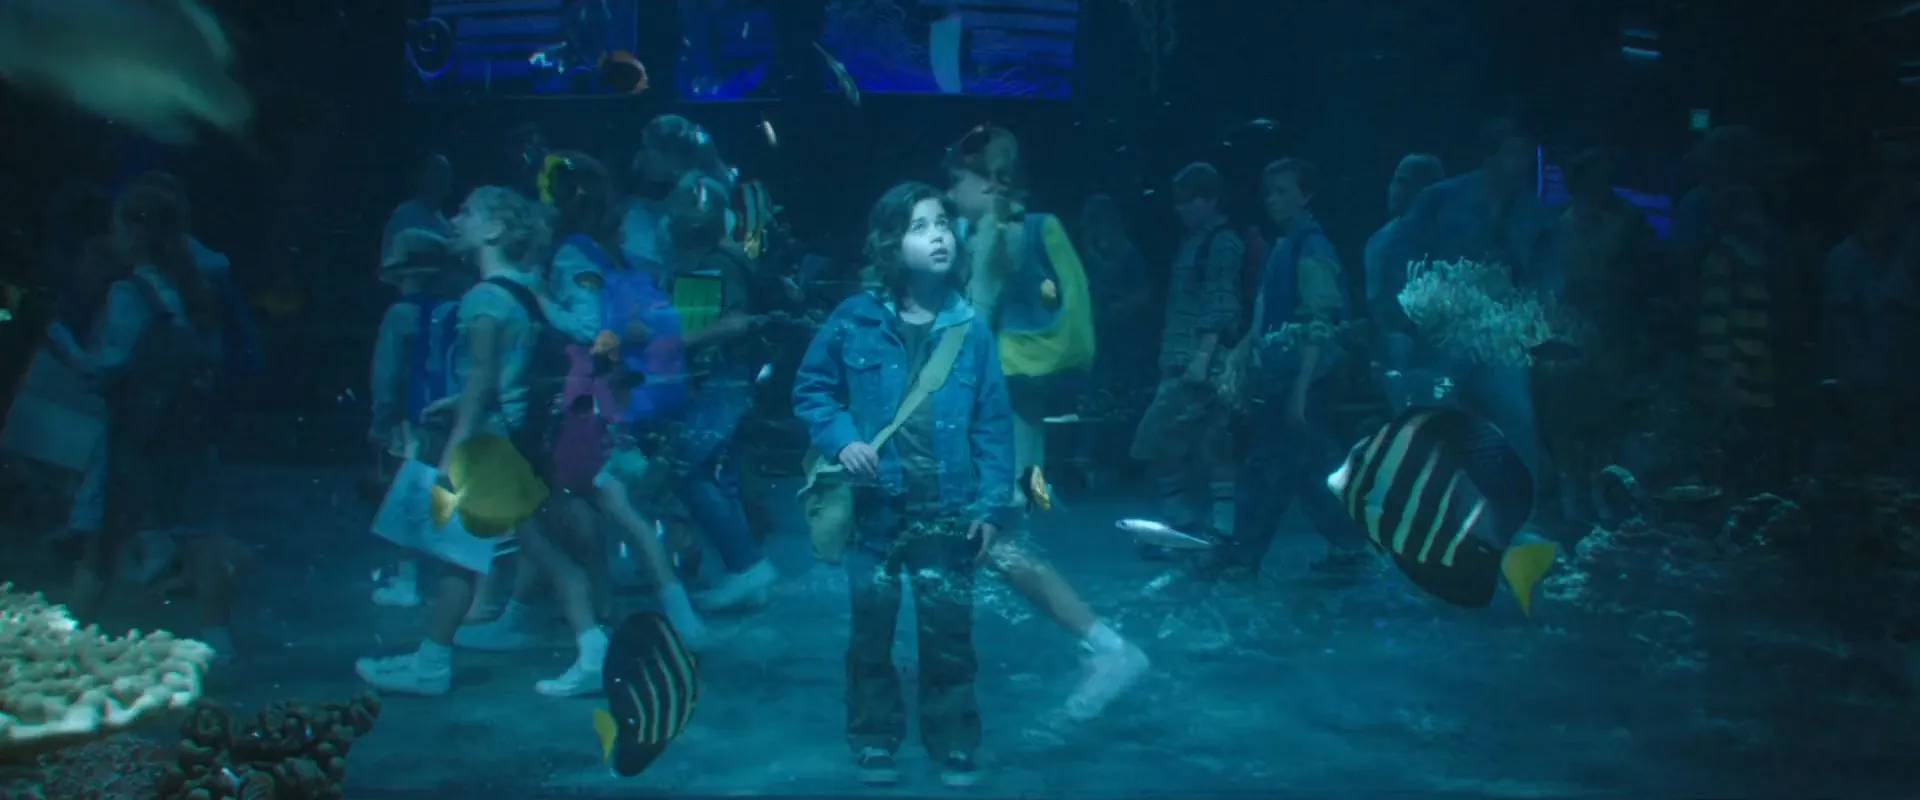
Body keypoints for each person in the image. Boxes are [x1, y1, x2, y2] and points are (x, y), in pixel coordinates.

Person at [791, 181, 1010, 788]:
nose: (938, 236)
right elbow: (812, 389)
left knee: (949, 634)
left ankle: (954, 741)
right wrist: (843, 440)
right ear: (889, 243)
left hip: (949, 508)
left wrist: (993, 506)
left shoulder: (971, 330)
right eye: (919, 227)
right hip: (875, 510)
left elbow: (992, 423)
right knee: (871, 631)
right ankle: (873, 736)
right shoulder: (854, 319)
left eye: (942, 223)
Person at [354, 186, 557, 696]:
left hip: (485, 443)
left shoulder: (483, 298)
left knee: (464, 552)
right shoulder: (524, 291)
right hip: (508, 436)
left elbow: (482, 380)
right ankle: (588, 637)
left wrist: (452, 452)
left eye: (467, 212)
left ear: (493, 231)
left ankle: (432, 664)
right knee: (514, 549)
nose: (456, 219)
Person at [46, 182, 234, 660]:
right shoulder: (196, 288)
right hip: (188, 433)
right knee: (200, 534)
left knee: (103, 542)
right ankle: (219, 642)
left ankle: (68, 642)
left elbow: (105, 368)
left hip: (135, 436)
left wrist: (60, 342)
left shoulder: (129, 294)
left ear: (133, 231)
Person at [1218, 158, 1366, 577]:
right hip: (1285, 375)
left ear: (1306, 194)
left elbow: (1320, 322)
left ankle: (1244, 554)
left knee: (1268, 467)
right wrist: (1244, 353)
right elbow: (1267, 314)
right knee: (1310, 468)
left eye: (1283, 191)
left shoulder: (1311, 248)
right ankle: (1349, 546)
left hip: (1304, 377)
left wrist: (1300, 389)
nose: (1273, 200)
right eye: (1269, 193)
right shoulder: (1284, 246)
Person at [1131, 162, 1242, 559]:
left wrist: (1203, 359)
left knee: (1207, 446)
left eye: (1190, 200)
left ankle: (1214, 529)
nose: (1182, 208)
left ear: (1211, 199)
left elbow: (1220, 303)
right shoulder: (1194, 242)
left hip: (1201, 365)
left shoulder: (1222, 243)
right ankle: (1186, 526)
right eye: (1178, 201)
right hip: (1180, 360)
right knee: (1171, 446)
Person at [1363, 153, 1445, 413]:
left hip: (1433, 347)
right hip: (1386, 343)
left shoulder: (1448, 238)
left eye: (1405, 183)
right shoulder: (1379, 240)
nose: (1395, 191)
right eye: (1396, 181)